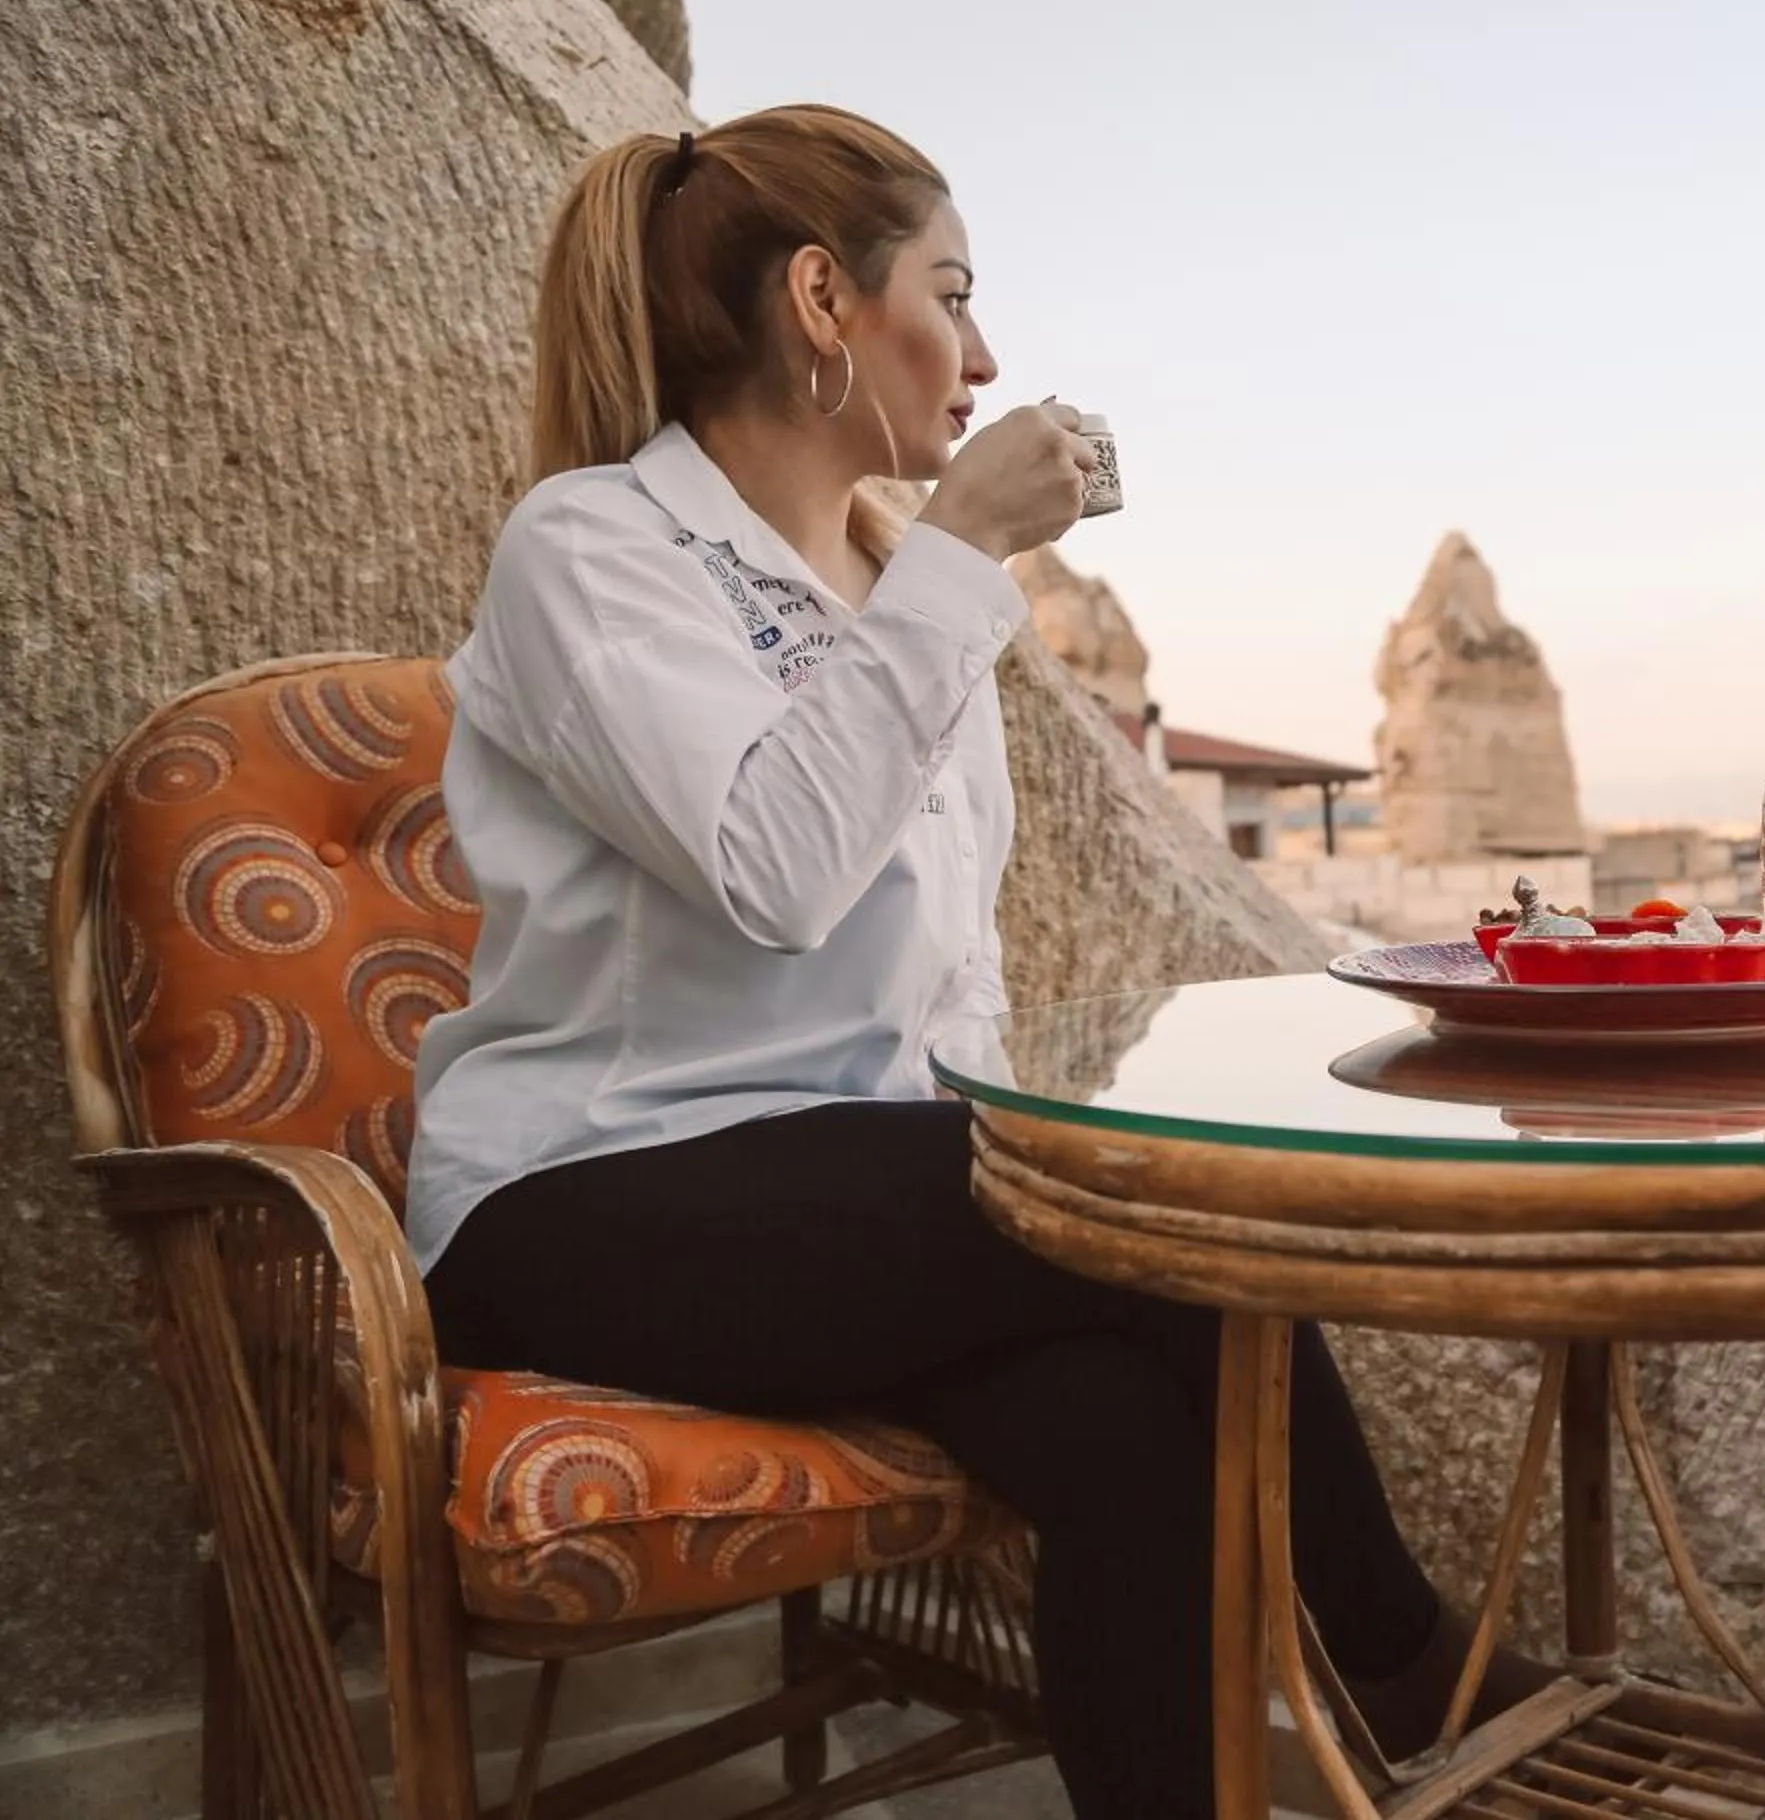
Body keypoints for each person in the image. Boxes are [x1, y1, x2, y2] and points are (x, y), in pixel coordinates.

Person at [407, 103, 1544, 1817]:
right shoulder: (592, 549)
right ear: (822, 301)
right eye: (952, 291)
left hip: (852, 1205)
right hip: (590, 1192)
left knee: (1113, 1433)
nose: (990, 352)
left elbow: (951, 980)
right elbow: (774, 874)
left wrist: (927, 577)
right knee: (1170, 1204)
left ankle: (1334, 1706)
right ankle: (1401, 1659)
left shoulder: (889, 579)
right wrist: (957, 559)